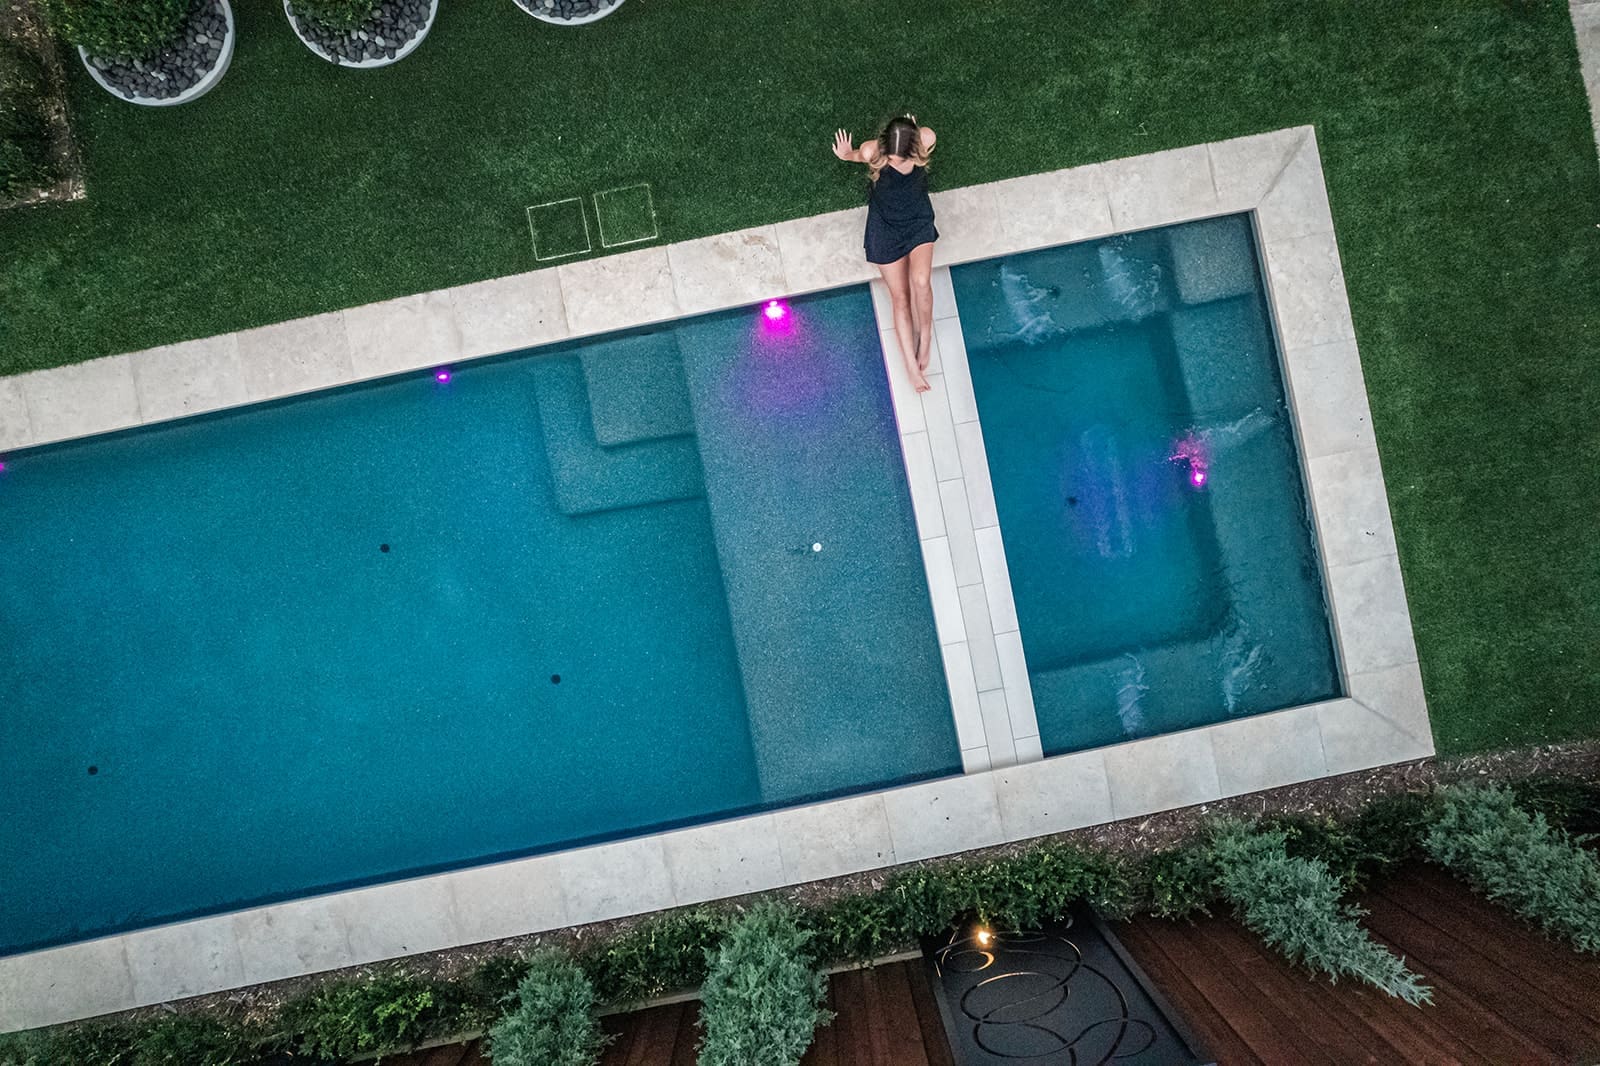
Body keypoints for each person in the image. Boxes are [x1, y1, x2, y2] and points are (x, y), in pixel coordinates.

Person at [832, 115, 939, 392]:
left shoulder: (924, 139)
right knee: (900, 296)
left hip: (917, 221)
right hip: (884, 228)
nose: (894, 162)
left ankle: (925, 338)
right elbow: (857, 155)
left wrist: (912, 132)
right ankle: (911, 367)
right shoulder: (874, 152)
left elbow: (922, 135)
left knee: (921, 282)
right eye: (891, 158)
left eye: (900, 158)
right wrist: (846, 154)